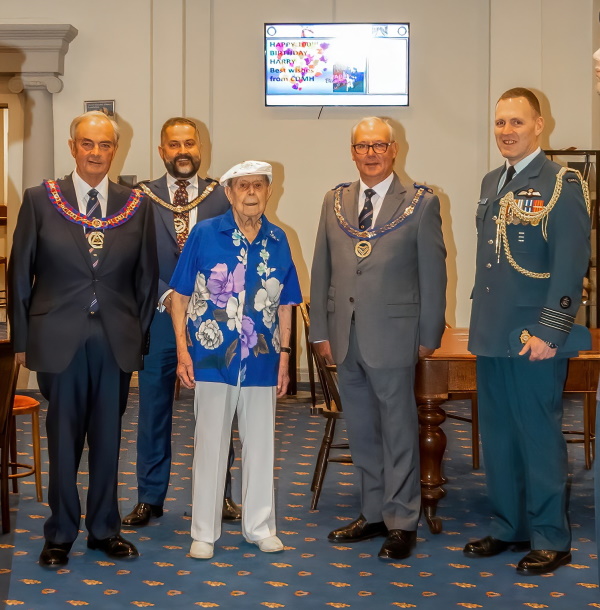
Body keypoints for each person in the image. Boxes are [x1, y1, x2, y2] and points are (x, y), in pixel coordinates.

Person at [8, 111, 158, 567]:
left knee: (109, 438)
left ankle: (104, 529)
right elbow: (20, 272)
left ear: (116, 150)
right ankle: (59, 532)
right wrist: (21, 340)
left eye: (105, 145)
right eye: (88, 144)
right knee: (64, 438)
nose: (96, 153)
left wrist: (140, 338)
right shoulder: (40, 200)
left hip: (114, 339)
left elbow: (147, 279)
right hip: (59, 338)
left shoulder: (137, 204)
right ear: (73, 147)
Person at [465, 88, 591, 575]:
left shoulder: (562, 182)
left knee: (538, 436)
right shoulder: (492, 180)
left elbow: (570, 262)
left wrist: (551, 329)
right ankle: (508, 526)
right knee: (498, 436)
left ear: (540, 125)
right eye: (500, 123)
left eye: (517, 122)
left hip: (534, 334)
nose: (507, 131)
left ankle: (550, 537)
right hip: (493, 331)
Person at [309, 116, 447, 560]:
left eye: (379, 146)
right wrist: (319, 332)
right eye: (362, 146)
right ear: (352, 152)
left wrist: (428, 333)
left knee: (400, 430)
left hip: (394, 335)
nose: (370, 153)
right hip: (344, 338)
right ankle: (372, 514)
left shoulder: (421, 204)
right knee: (363, 431)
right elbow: (322, 270)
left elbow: (434, 273)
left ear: (394, 150)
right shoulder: (335, 201)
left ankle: (402, 520)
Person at [170, 160, 301, 560]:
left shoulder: (280, 239)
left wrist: (285, 357)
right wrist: (182, 350)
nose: (250, 193)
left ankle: (260, 527)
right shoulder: (206, 233)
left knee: (261, 445)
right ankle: (204, 532)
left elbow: (286, 304)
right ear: (228, 193)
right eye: (242, 186)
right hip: (212, 356)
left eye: (258, 186)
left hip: (261, 359)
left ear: (269, 192)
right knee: (210, 444)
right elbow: (179, 295)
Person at [122, 117, 241, 527]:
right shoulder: (139, 197)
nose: (183, 151)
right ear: (161, 151)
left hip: (211, 318)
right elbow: (133, 257)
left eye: (190, 143)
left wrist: (207, 297)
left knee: (215, 409)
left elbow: (232, 254)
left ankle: (219, 493)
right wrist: (170, 295)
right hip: (158, 318)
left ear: (200, 148)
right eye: (174, 145)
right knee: (153, 407)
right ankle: (149, 497)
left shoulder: (220, 197)